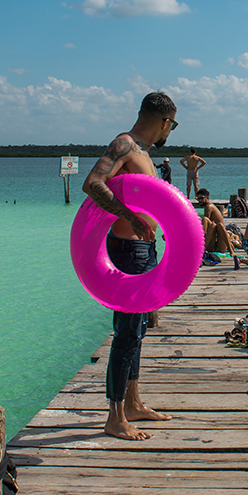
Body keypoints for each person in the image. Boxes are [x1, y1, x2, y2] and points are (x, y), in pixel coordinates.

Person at [82, 92, 179, 440]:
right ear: (165, 122)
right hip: (126, 251)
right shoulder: (123, 145)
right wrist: (130, 219)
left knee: (138, 331)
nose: (171, 132)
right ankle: (115, 416)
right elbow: (92, 183)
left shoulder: (144, 154)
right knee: (125, 332)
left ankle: (134, 403)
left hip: (145, 251)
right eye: (173, 125)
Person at [196, 189, 241, 263]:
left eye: (201, 198)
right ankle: (203, 248)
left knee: (212, 222)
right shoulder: (209, 206)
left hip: (218, 242)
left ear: (207, 198)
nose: (199, 200)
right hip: (213, 243)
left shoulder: (209, 207)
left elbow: (207, 225)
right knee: (211, 224)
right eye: (198, 199)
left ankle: (231, 251)